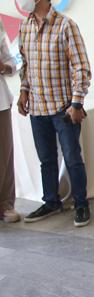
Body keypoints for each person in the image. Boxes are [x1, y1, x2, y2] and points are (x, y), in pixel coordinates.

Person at [17, 0, 92, 227]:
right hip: (37, 107)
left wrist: (77, 104)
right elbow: (26, 65)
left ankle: (81, 204)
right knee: (46, 159)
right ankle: (51, 202)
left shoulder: (66, 25)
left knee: (72, 159)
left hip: (63, 107)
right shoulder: (25, 27)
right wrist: (23, 91)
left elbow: (82, 66)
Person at [0, 20, 20, 223]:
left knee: (3, 155)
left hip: (0, 103)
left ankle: (5, 204)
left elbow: (12, 65)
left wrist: (3, 67)